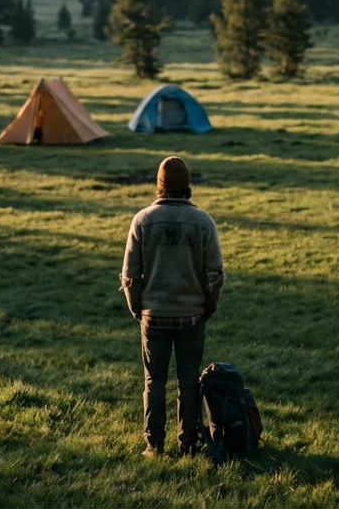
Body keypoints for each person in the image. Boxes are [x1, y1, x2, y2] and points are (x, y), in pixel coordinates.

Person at [120, 155, 224, 457]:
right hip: (192, 315)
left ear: (159, 186)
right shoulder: (203, 221)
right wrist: (209, 306)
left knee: (154, 381)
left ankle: (154, 445)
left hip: (153, 316)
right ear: (187, 186)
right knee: (189, 380)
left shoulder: (142, 220)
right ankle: (188, 444)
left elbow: (130, 275)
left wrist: (136, 307)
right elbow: (214, 274)